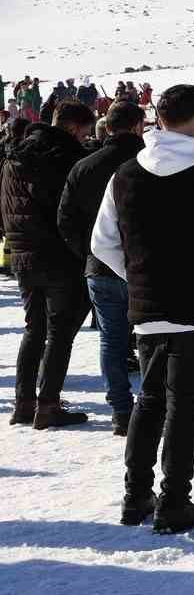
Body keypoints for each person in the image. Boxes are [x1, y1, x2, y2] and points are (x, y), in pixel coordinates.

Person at [91, 85, 194, 532]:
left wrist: (139, 278)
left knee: (149, 400)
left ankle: (136, 495)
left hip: (149, 307)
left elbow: (102, 244)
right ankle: (175, 501)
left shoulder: (125, 174)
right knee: (184, 404)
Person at [3, 100, 96, 428]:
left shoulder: (14, 155)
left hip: (22, 252)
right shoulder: (63, 157)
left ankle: (23, 402)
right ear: (71, 128)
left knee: (34, 328)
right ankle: (48, 404)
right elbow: (69, 211)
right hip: (58, 255)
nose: (86, 139)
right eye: (84, 133)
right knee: (59, 332)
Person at [58, 100, 147, 435]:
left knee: (112, 340)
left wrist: (89, 252)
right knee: (152, 338)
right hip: (144, 265)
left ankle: (121, 409)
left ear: (107, 127)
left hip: (99, 265)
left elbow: (65, 219)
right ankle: (153, 404)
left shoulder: (84, 165)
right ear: (138, 126)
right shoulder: (149, 162)